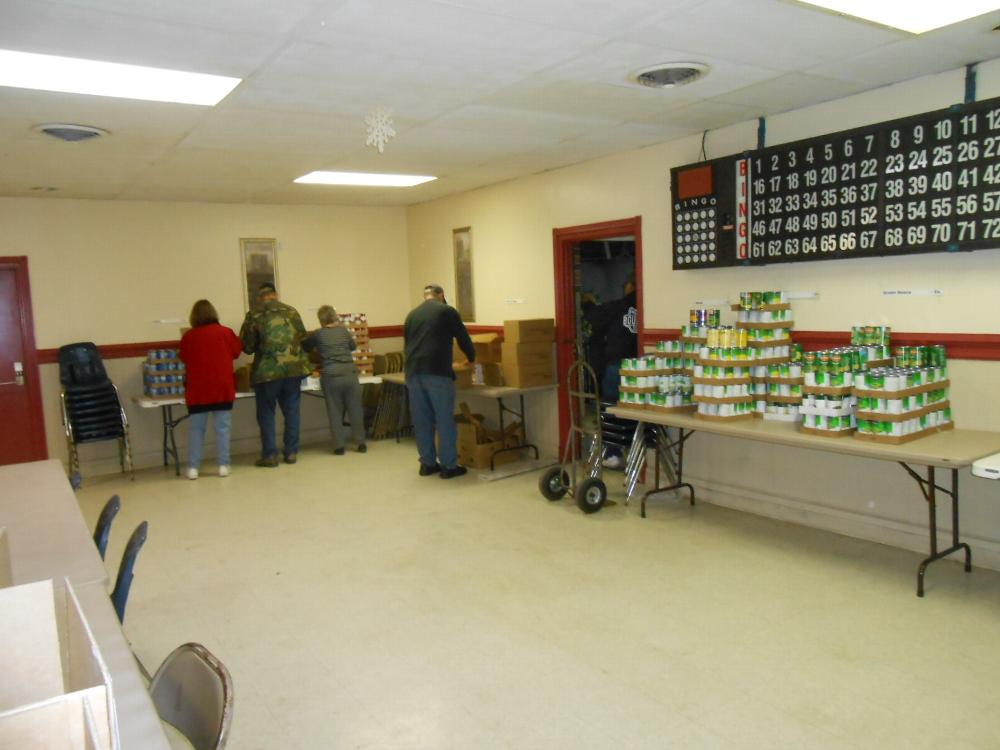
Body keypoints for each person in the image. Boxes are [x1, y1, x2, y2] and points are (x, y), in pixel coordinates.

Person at [404, 284, 475, 478]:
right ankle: (449, 467)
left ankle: (427, 464)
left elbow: (407, 344)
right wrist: (471, 357)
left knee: (422, 420)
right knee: (444, 420)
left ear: (425, 296)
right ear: (441, 295)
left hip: (412, 373)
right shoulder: (447, 311)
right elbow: (462, 337)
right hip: (437, 373)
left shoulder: (412, 315)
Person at [239, 282, 311, 467]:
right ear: (275, 294)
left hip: (267, 372)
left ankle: (270, 456)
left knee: (266, 413)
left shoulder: (254, 314)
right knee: (292, 411)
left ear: (260, 296)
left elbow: (247, 347)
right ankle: (291, 453)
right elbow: (303, 338)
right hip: (294, 370)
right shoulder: (292, 311)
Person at [178, 299, 242, 479]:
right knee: (222, 428)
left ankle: (193, 468)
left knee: (196, 430)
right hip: (222, 387)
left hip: (197, 390)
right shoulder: (225, 332)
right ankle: (223, 465)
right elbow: (237, 352)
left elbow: (183, 357)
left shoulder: (189, 337)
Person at [582, 274, 638, 469]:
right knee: (635, 411)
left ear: (630, 286)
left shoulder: (619, 306)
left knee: (610, 408)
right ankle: (635, 454)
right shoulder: (649, 305)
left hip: (618, 366)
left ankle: (613, 453)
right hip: (642, 370)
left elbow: (594, 317)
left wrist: (587, 304)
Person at [302, 305, 367, 455]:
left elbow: (306, 347)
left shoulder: (318, 334)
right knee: (355, 409)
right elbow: (352, 346)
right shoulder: (344, 331)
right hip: (350, 374)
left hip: (331, 375)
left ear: (320, 320)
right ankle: (361, 443)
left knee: (335, 411)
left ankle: (339, 446)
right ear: (335, 317)